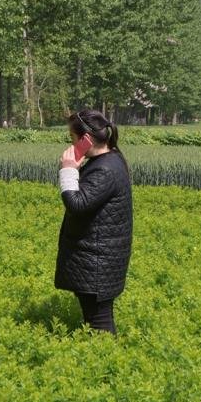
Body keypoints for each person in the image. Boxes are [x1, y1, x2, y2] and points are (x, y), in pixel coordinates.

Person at [54, 108, 133, 334]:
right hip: (98, 258)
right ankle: (104, 359)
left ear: (85, 139)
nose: (71, 143)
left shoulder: (105, 169)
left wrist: (68, 169)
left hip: (97, 261)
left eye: (73, 138)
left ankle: (107, 362)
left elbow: (77, 204)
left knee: (100, 323)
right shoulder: (110, 159)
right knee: (95, 319)